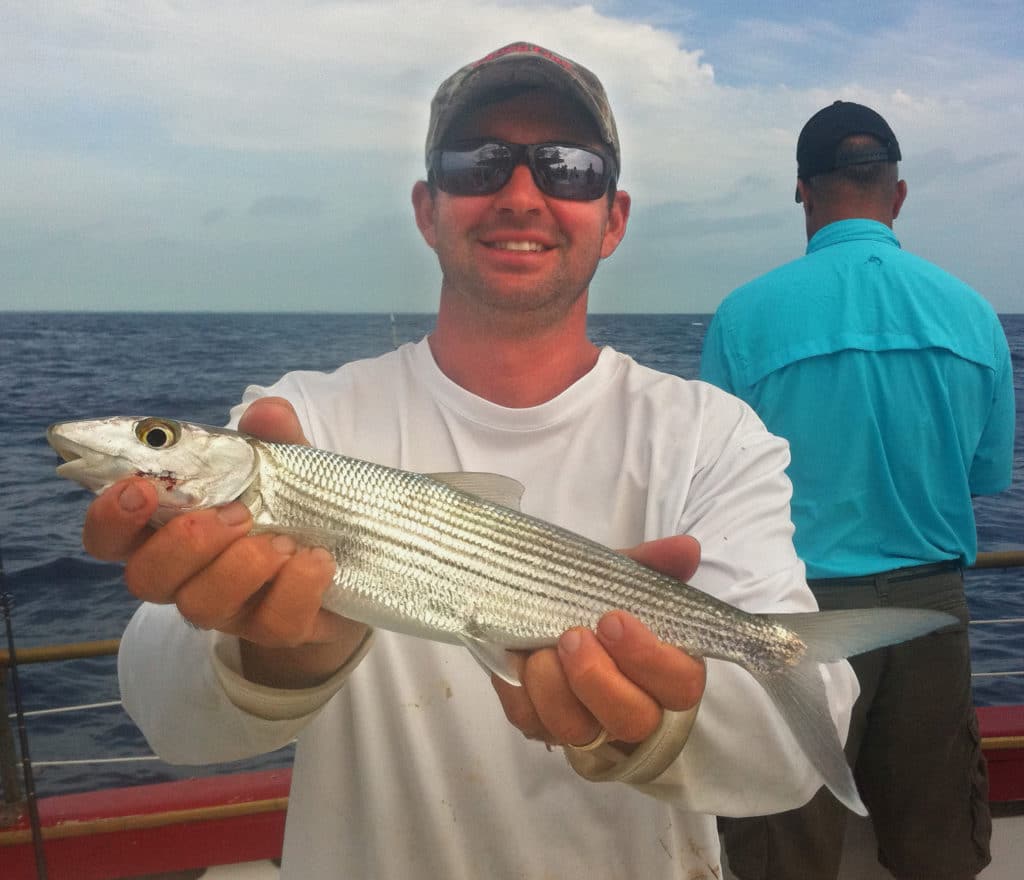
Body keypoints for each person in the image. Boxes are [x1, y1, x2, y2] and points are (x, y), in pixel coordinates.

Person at [82, 44, 858, 879]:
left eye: (566, 166)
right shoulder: (295, 421)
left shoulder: (716, 435)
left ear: (615, 215)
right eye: (479, 161)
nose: (522, 194)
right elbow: (167, 715)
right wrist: (274, 657)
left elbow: (789, 757)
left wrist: (653, 724)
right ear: (428, 207)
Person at [700, 100, 1015, 880]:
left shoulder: (743, 317)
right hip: (926, 616)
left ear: (802, 192)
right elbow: (986, 479)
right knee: (935, 846)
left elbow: (704, 491)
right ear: (897, 195)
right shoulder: (975, 317)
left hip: (791, 619)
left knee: (781, 848)